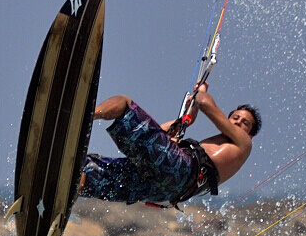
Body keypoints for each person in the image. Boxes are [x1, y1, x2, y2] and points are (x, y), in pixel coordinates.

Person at [78, 83, 261, 207]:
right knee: (90, 169)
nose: (237, 122)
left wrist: (202, 90)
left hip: (180, 173)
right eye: (235, 118)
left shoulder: (244, 144)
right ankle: (69, 193)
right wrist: (187, 119)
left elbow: (204, 102)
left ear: (251, 134)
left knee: (125, 104)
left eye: (244, 123)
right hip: (167, 190)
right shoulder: (208, 148)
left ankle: (85, 114)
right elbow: (158, 134)